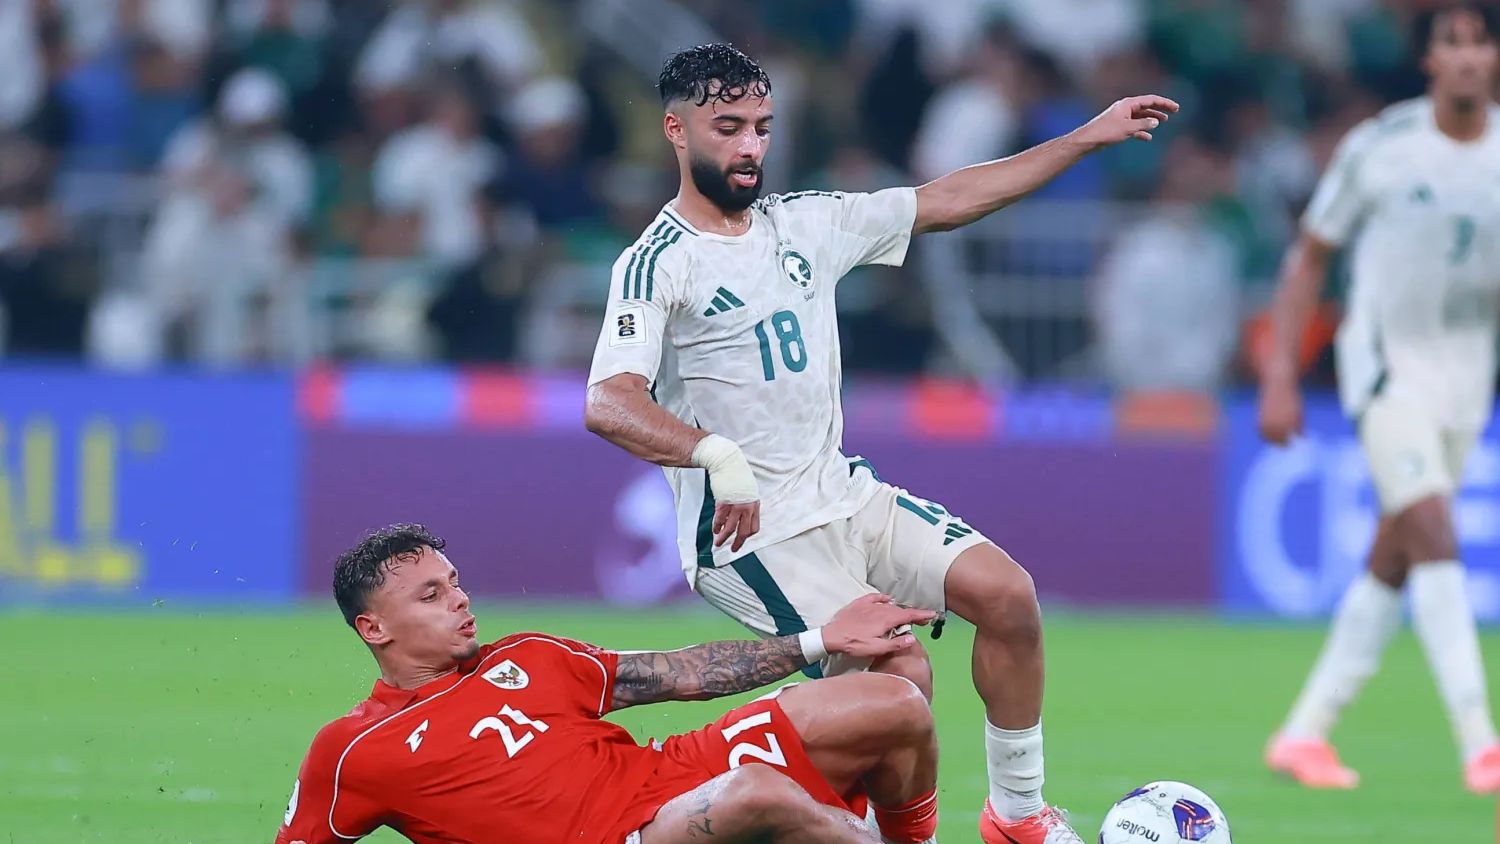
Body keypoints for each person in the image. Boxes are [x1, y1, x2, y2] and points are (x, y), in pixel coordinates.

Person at [583, 43, 1175, 844]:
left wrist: (1084, 137)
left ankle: (1018, 818)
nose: (751, 145)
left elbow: (948, 198)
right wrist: (716, 456)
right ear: (676, 131)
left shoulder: (806, 222)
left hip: (845, 495)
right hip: (753, 536)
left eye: (761, 125)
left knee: (1007, 596)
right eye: (728, 128)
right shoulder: (657, 263)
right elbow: (608, 401)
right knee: (900, 678)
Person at [274, 523, 943, 844]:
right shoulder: (356, 748)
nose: (458, 599)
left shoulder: (528, 654)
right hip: (619, 839)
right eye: (429, 595)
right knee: (757, 793)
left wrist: (823, 640)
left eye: (453, 582)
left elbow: (684, 674)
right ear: (374, 629)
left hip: (669, 782)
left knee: (897, 687)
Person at [1258, 2, 1500, 794]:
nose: (1467, 58)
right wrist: (1282, 374)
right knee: (1431, 525)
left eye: (1480, 43)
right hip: (1385, 364)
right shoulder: (1382, 147)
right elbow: (1309, 258)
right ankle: (1481, 741)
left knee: (1398, 548)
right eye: (1451, 44)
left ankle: (1303, 733)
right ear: (1430, 61)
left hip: (1467, 377)